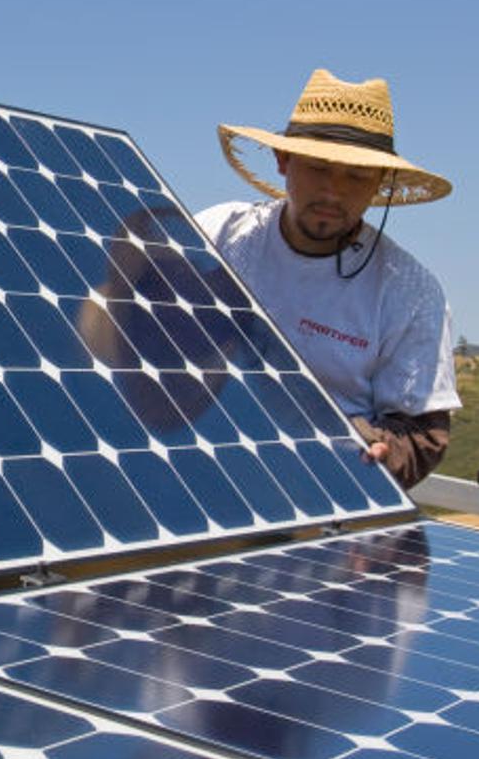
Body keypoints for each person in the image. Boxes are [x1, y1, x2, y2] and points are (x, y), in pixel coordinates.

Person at [195, 68, 458, 489]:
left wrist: (376, 449)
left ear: (380, 184)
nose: (333, 193)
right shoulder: (218, 235)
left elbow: (421, 431)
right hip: (198, 467)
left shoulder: (409, 292)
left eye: (356, 176)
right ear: (284, 161)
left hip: (320, 494)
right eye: (319, 168)